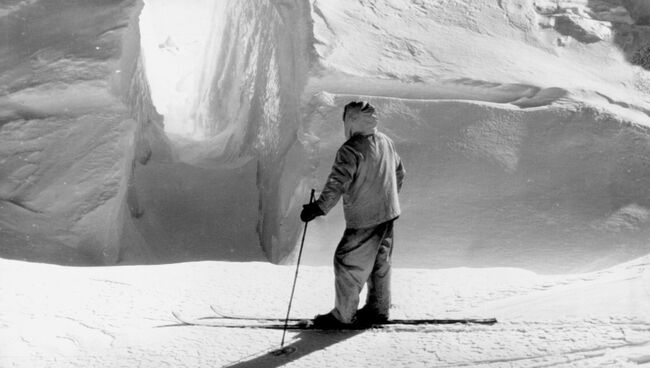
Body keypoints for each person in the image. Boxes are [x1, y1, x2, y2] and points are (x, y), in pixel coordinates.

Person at [300, 101, 405, 328]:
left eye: (347, 118)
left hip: (365, 218)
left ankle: (343, 316)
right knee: (380, 263)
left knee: (347, 263)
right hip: (388, 214)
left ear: (353, 120)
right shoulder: (386, 141)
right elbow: (399, 172)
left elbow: (337, 183)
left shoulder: (351, 149)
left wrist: (318, 208)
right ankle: (378, 310)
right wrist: (386, 196)